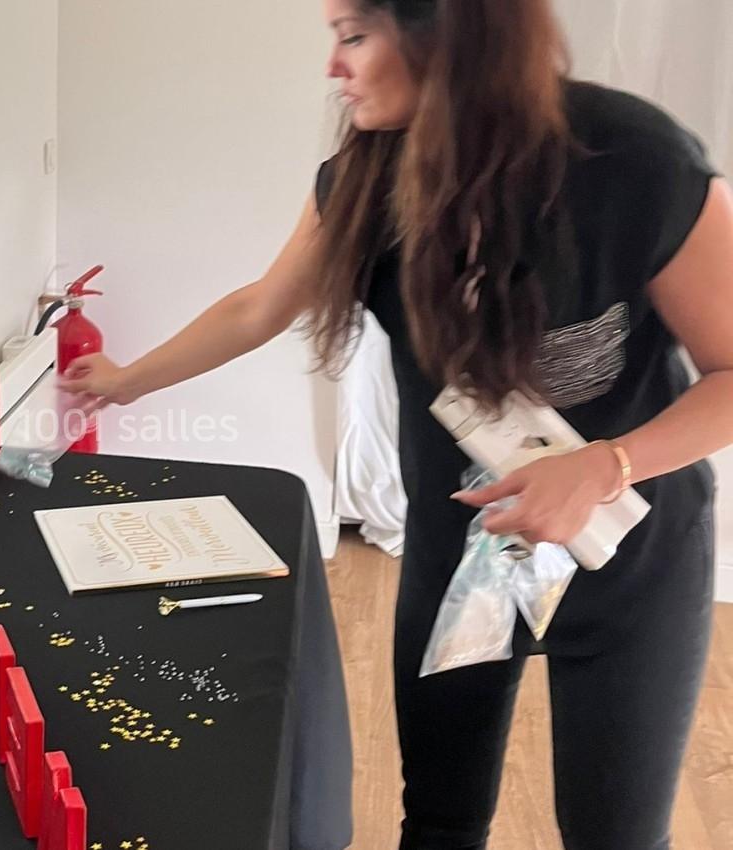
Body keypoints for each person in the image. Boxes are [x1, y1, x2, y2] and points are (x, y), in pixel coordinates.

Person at [58, 1, 733, 848]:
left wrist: (609, 462)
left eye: (353, 36)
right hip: (465, 563)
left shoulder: (636, 164)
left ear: (447, 37)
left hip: (631, 561)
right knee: (441, 822)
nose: (333, 68)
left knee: (619, 836)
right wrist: (123, 383)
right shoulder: (367, 182)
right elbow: (260, 307)